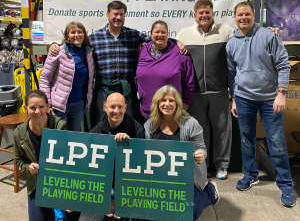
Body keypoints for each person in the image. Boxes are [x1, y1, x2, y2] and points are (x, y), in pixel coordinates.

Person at [48, 1, 186, 126]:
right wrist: (55, 45)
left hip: (127, 90)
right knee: (102, 124)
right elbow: (74, 46)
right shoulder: (95, 38)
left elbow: (157, 38)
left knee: (129, 124)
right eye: (115, 14)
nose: (118, 18)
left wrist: (176, 42)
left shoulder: (133, 35)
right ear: (108, 14)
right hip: (103, 90)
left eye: (121, 14)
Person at [226, 1, 295, 207]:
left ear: (254, 15)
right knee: (246, 139)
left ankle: (285, 184)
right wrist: (234, 98)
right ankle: (250, 175)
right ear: (235, 18)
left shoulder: (268, 36)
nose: (243, 18)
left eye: (247, 14)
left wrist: (281, 94)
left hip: (269, 99)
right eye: (240, 15)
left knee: (276, 142)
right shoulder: (231, 43)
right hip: (243, 98)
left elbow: (284, 65)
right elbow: (231, 74)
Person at [176, 0, 233, 180]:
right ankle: (203, 166)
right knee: (199, 132)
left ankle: (222, 165)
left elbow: (246, 37)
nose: (204, 15)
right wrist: (177, 43)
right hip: (195, 95)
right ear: (195, 16)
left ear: (212, 14)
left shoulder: (226, 31)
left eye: (207, 12)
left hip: (219, 92)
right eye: (200, 13)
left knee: (222, 130)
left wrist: (267, 31)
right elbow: (167, 46)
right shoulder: (184, 34)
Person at [144, 85, 220, 220]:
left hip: (188, 179)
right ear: (157, 103)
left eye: (171, 100)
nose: (167, 104)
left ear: (177, 103)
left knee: (188, 216)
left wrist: (201, 155)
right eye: (163, 100)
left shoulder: (191, 124)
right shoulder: (149, 125)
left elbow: (202, 148)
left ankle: (210, 191)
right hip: (162, 179)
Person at [79, 92, 145, 221]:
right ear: (105, 107)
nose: (116, 111)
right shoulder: (95, 133)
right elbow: (89, 171)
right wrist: (105, 198)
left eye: (120, 107)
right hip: (103, 188)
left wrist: (131, 146)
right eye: (112, 107)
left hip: (127, 188)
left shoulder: (137, 129)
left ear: (126, 107)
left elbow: (141, 169)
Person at [13, 90, 67, 221]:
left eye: (41, 107)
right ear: (25, 109)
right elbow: (18, 159)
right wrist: (28, 167)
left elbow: (67, 157)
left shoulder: (60, 127)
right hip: (36, 184)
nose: (37, 111)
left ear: (48, 106)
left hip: (59, 182)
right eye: (32, 108)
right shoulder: (19, 133)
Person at [39, 21, 95, 132]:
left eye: (79, 32)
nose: (76, 35)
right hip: (57, 105)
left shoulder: (89, 53)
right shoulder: (58, 52)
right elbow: (44, 79)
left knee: (73, 137)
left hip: (79, 103)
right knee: (56, 136)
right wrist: (47, 103)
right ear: (67, 35)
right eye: (72, 32)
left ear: (84, 34)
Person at [136, 20, 194, 120]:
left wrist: (183, 108)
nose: (160, 35)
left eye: (163, 32)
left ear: (168, 35)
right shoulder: (142, 50)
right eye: (157, 32)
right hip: (146, 112)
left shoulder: (180, 53)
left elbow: (189, 83)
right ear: (151, 34)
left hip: (171, 114)